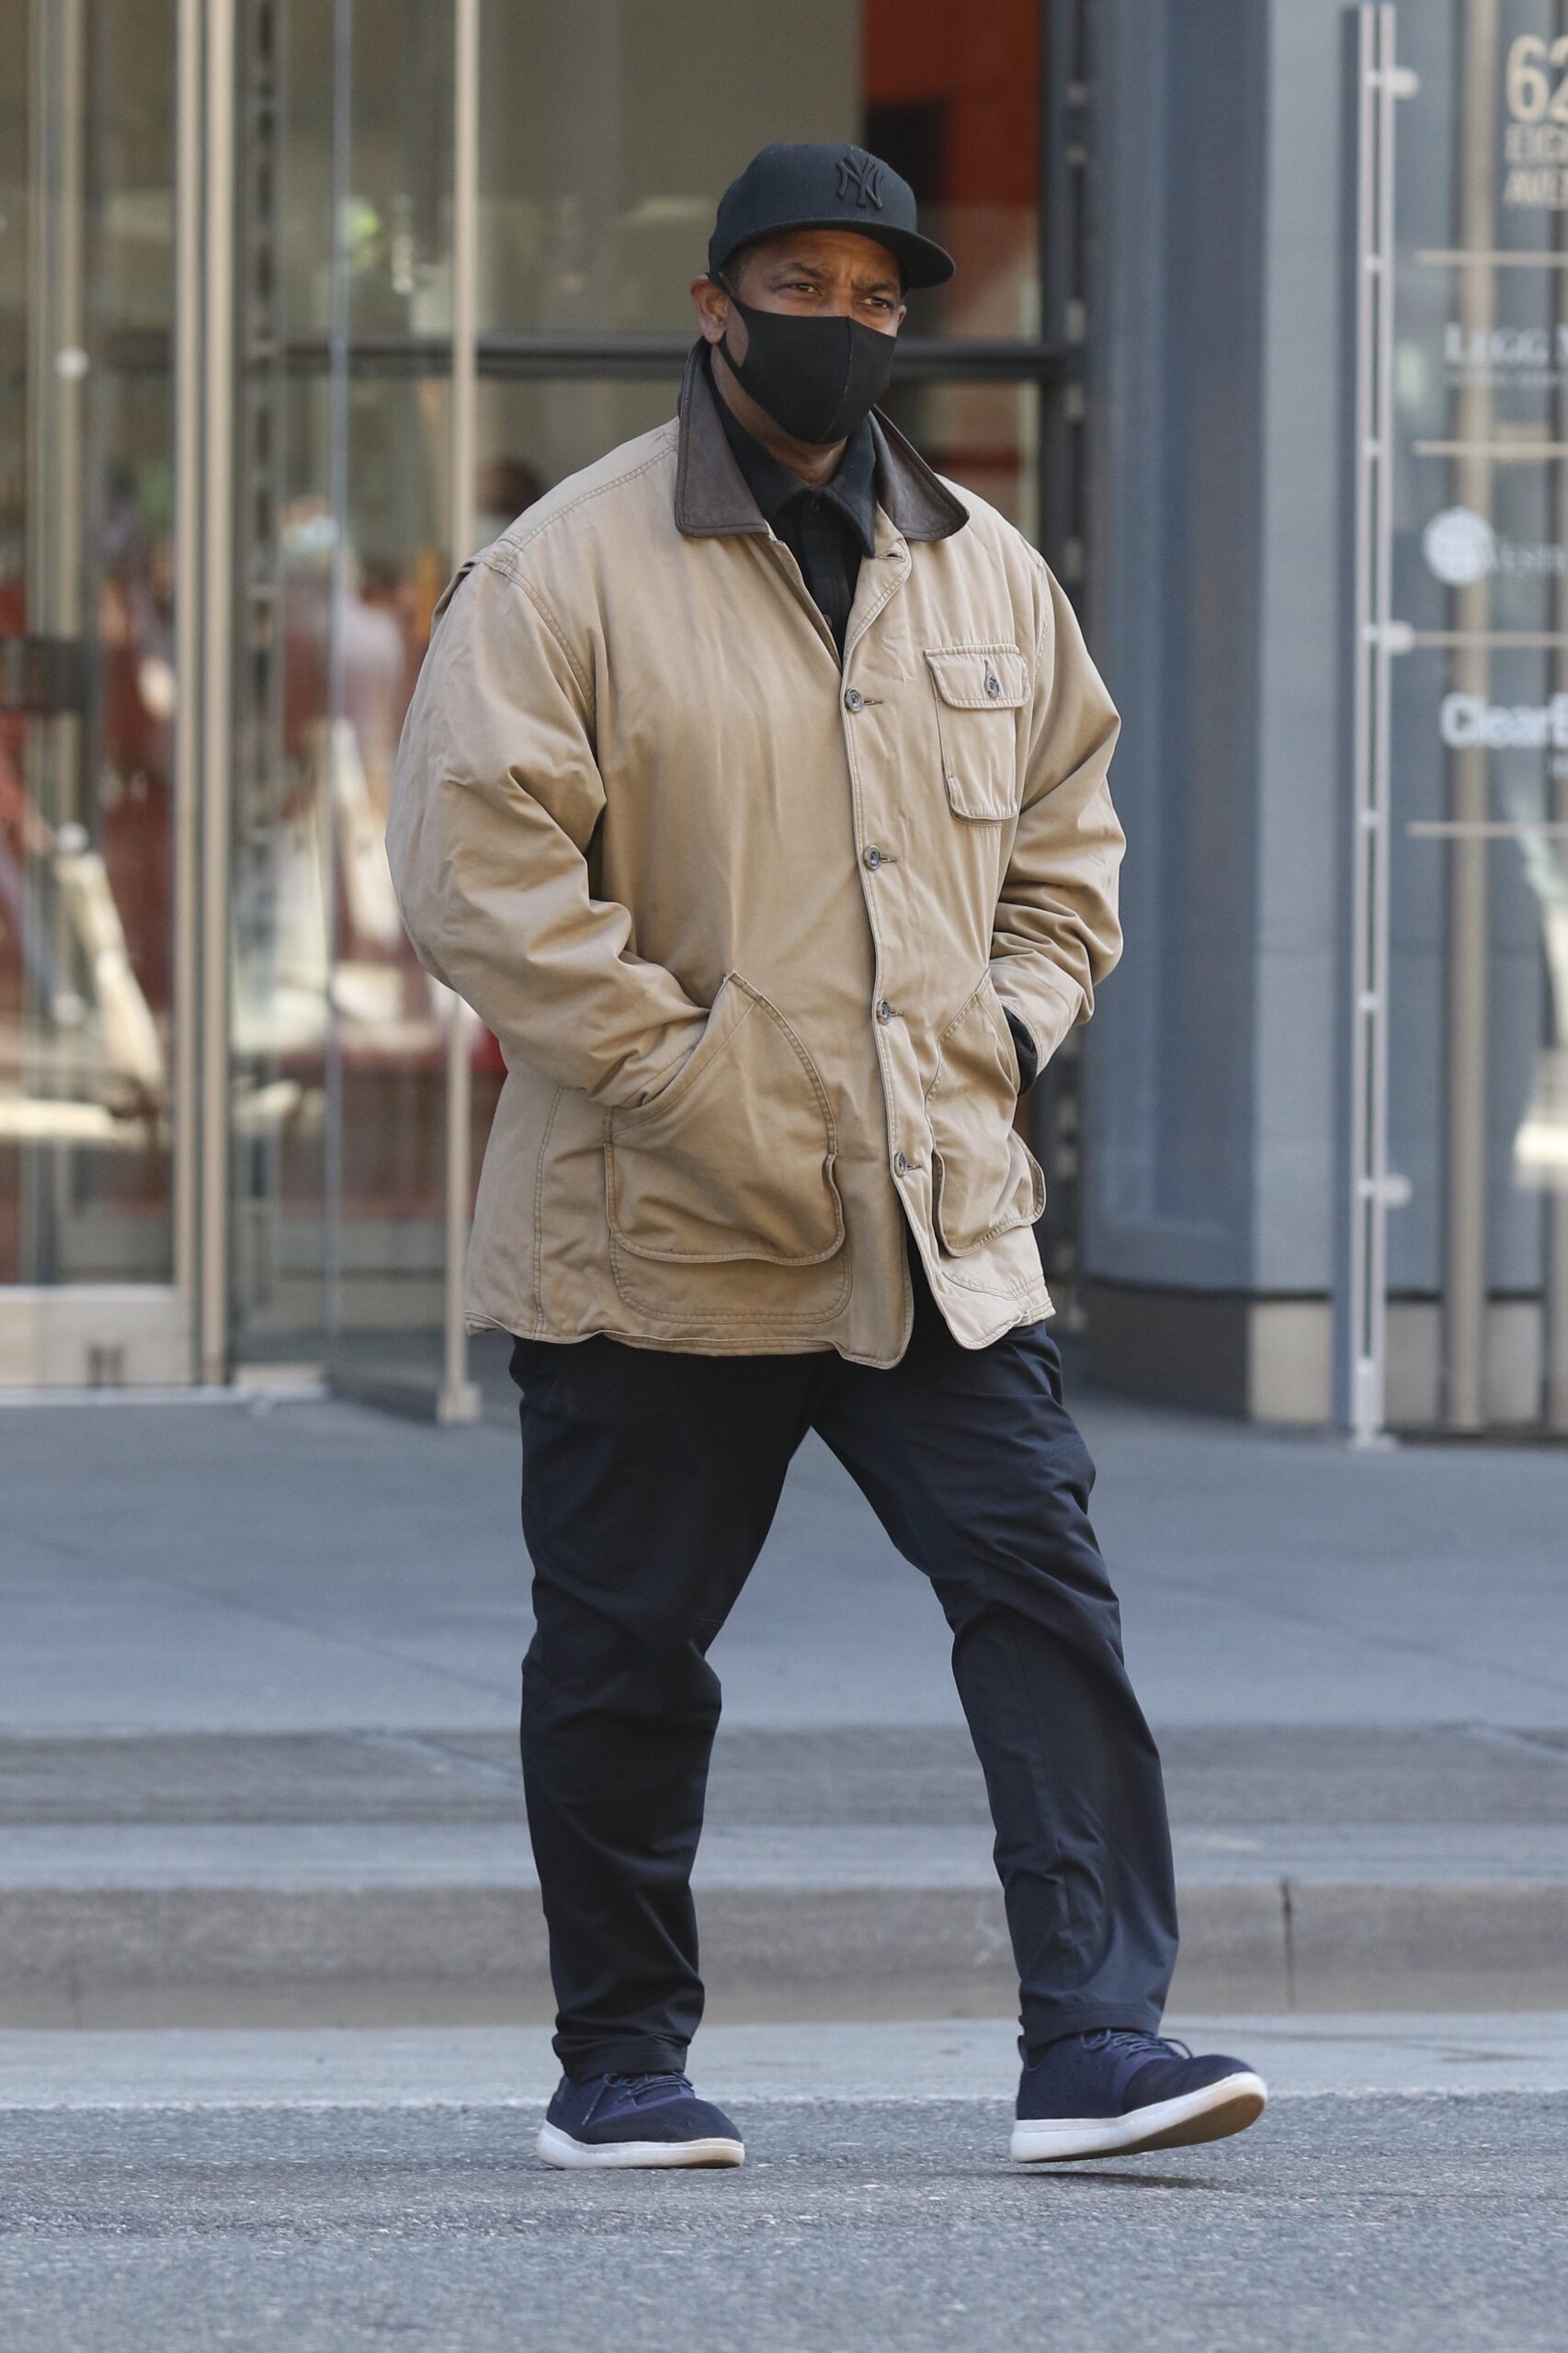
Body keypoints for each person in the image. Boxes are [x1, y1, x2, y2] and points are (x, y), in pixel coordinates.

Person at [388, 141, 1267, 2172]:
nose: (843, 325)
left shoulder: (984, 566)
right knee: (623, 1654)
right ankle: (620, 2063)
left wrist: (1009, 1026)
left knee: (1041, 1591)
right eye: (804, 284)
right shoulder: (569, 567)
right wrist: (698, 1090)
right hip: (660, 1230)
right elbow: (481, 884)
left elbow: (1067, 845)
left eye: (880, 298)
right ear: (714, 304)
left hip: (939, 1229)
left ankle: (1094, 2038)